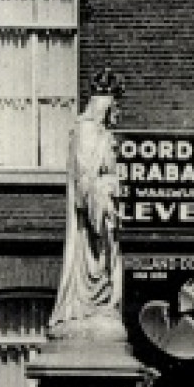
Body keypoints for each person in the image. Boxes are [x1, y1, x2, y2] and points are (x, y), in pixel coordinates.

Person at [50, 70, 127, 343]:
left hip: (106, 212)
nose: (117, 112)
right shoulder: (86, 130)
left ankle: (100, 304)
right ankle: (84, 308)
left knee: (106, 264)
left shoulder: (103, 134)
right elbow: (85, 179)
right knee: (91, 261)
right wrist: (101, 202)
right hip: (95, 214)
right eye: (114, 106)